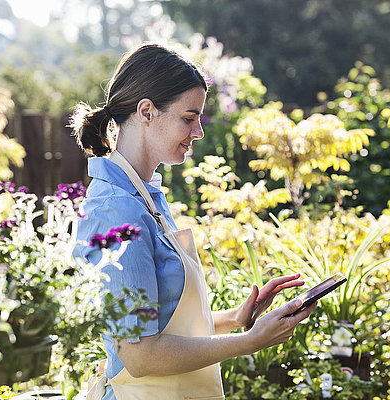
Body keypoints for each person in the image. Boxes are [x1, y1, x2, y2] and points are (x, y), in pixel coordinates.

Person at [71, 43, 316, 400]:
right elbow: (139, 355)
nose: (198, 131)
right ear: (147, 111)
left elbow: (163, 322)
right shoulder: (116, 211)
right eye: (189, 117)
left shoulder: (147, 196)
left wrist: (236, 317)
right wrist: (248, 342)